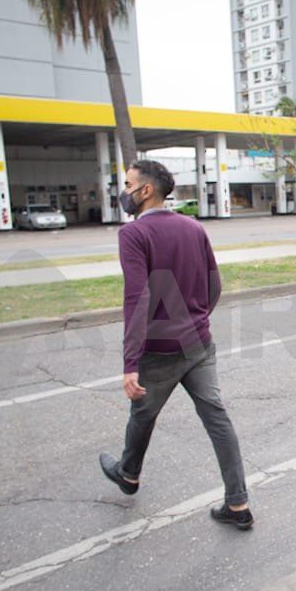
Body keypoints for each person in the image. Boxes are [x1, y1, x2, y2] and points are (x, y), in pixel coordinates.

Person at [99, 160, 253, 530]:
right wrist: (196, 318)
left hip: (159, 350)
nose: (124, 191)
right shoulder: (193, 227)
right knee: (217, 419)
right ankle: (238, 504)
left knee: (142, 413)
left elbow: (137, 297)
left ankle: (129, 474)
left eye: (128, 184)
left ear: (146, 190)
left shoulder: (133, 235)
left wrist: (130, 362)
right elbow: (214, 285)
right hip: (198, 343)